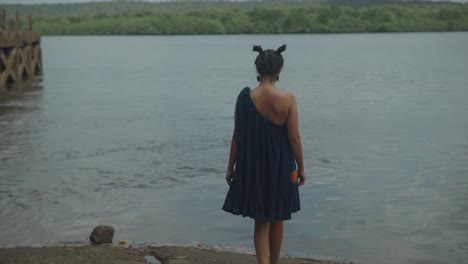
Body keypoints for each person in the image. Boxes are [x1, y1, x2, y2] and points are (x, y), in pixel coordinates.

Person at [222, 44, 306, 264]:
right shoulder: (287, 98)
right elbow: (294, 138)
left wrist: (231, 166)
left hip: (254, 165)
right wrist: (301, 168)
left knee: (261, 221)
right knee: (278, 217)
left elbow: (237, 136)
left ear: (258, 70)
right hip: (281, 164)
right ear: (279, 71)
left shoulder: (245, 97)